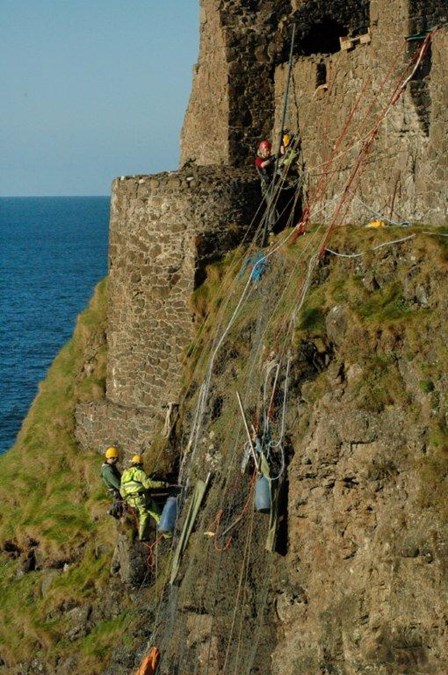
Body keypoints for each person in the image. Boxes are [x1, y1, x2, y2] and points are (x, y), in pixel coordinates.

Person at [120, 455, 170, 541]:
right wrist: (162, 484)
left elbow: (121, 489)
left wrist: (127, 499)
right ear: (140, 464)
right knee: (156, 513)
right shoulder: (139, 473)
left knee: (144, 514)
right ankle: (168, 534)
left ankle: (141, 536)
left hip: (132, 501)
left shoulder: (125, 474)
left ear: (132, 463)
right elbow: (148, 484)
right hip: (141, 498)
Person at [100, 446, 124, 519]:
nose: (118, 459)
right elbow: (118, 485)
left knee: (120, 504)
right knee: (120, 504)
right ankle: (113, 511)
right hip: (117, 490)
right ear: (112, 458)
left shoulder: (110, 466)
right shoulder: (108, 471)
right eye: (116, 458)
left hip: (117, 489)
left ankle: (114, 511)